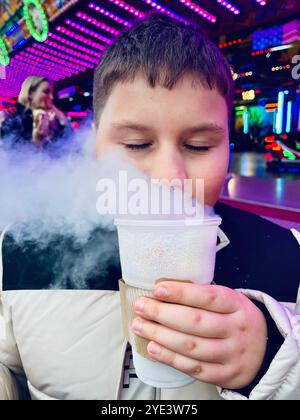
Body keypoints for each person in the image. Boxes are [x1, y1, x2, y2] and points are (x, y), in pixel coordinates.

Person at [0, 14, 299, 400]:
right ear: (92, 147)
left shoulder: (286, 258)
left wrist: (275, 357)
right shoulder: (22, 252)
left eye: (198, 147)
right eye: (137, 145)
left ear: (228, 148)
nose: (168, 178)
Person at [0, 76, 69, 148]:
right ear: (30, 94)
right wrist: (37, 141)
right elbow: (9, 153)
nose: (51, 97)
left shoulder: (48, 118)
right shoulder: (14, 122)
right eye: (46, 92)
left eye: (51, 93)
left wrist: (56, 111)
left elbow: (69, 142)